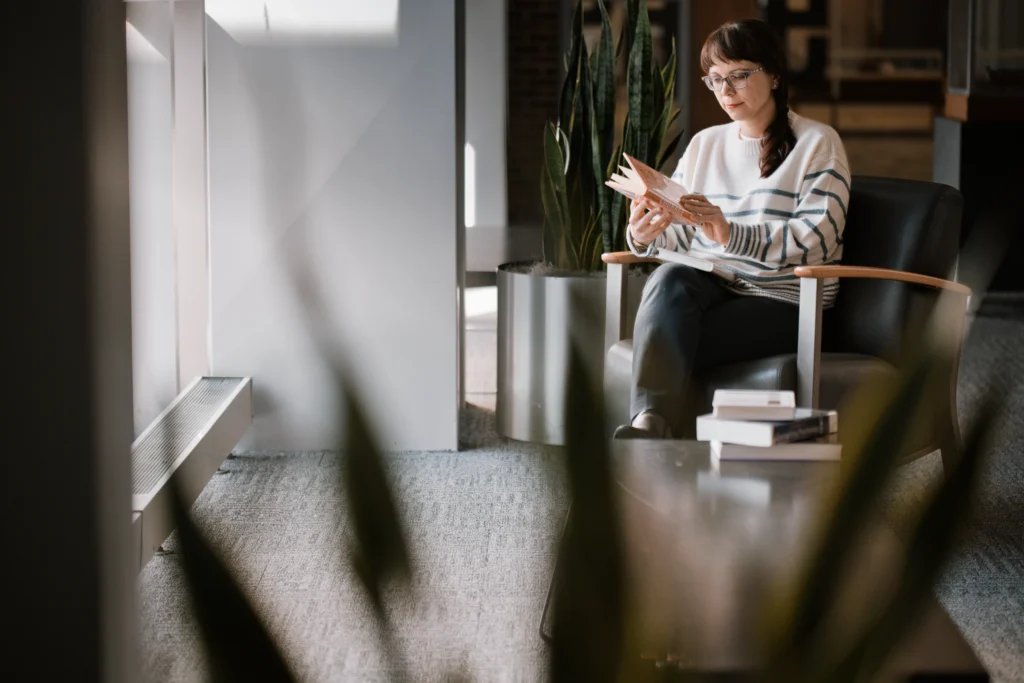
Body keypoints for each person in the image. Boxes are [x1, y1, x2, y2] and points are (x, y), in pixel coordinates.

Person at [614, 18, 850, 439]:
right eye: (716, 79)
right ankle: (651, 425)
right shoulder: (707, 143)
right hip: (715, 284)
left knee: (666, 342)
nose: (726, 90)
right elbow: (686, 233)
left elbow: (815, 240)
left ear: (775, 74)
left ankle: (655, 426)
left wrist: (728, 233)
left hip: (784, 300)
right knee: (669, 277)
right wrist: (647, 234)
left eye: (739, 76)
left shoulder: (817, 142)